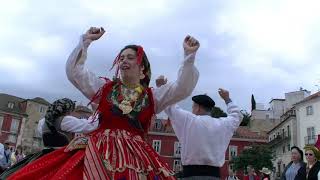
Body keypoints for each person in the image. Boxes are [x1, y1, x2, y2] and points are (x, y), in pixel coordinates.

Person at [8, 27, 200, 179]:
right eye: (121, 58)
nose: (124, 61)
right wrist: (86, 41)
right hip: (97, 151)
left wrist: (189, 57)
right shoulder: (105, 89)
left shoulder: (153, 96)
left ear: (142, 69)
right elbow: (75, 73)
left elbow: (182, 88)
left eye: (130, 57)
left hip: (137, 156)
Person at [156, 76, 242, 179]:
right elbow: (237, 116)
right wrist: (227, 99)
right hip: (214, 176)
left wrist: (163, 87)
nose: (192, 109)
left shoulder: (189, 120)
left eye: (193, 106)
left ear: (198, 108)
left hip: (191, 176)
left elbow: (170, 106)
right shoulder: (223, 124)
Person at [2, 98, 98, 179]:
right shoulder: (65, 120)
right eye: (71, 110)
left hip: (43, 154)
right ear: (67, 110)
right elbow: (90, 126)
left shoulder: (42, 122)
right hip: (61, 156)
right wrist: (99, 114)